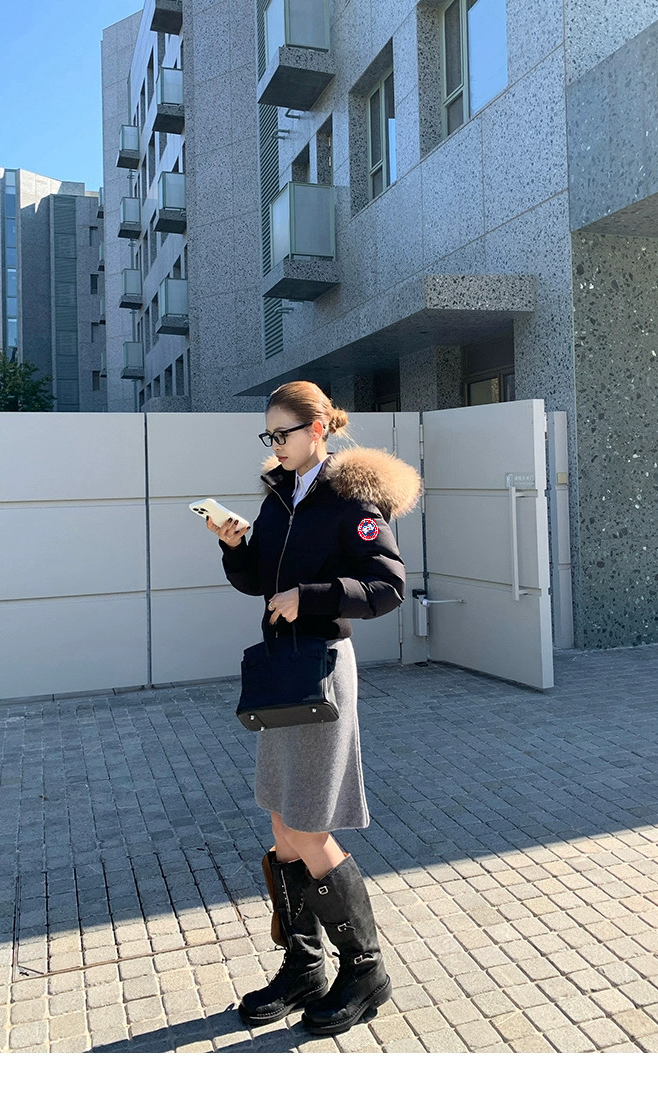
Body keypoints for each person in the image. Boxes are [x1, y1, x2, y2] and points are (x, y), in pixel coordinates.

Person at [207, 380, 420, 1036]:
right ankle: (304, 966)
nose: (275, 445)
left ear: (318, 429)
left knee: (306, 827)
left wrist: (313, 595)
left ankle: (365, 969)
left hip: (322, 671)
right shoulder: (280, 496)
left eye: (284, 433)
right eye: (268, 435)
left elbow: (388, 585)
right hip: (282, 672)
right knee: (281, 822)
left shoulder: (350, 498)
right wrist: (236, 544)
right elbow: (258, 582)